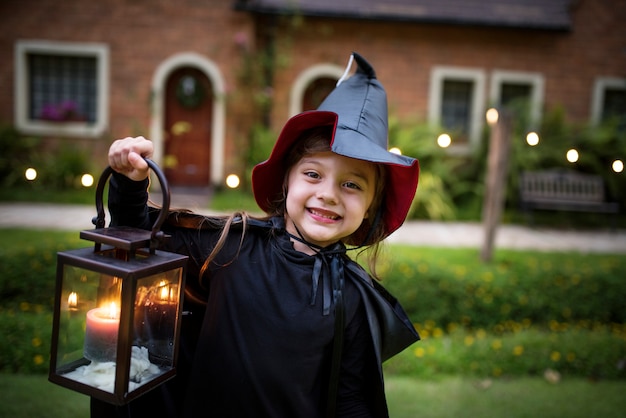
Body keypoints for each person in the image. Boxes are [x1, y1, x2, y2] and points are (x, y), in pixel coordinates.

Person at [91, 52, 420, 418]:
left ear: (371, 207)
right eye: (313, 174)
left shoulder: (352, 298)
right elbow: (141, 239)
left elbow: (349, 397)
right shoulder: (230, 245)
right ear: (287, 180)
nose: (329, 193)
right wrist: (131, 181)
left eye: (351, 184)